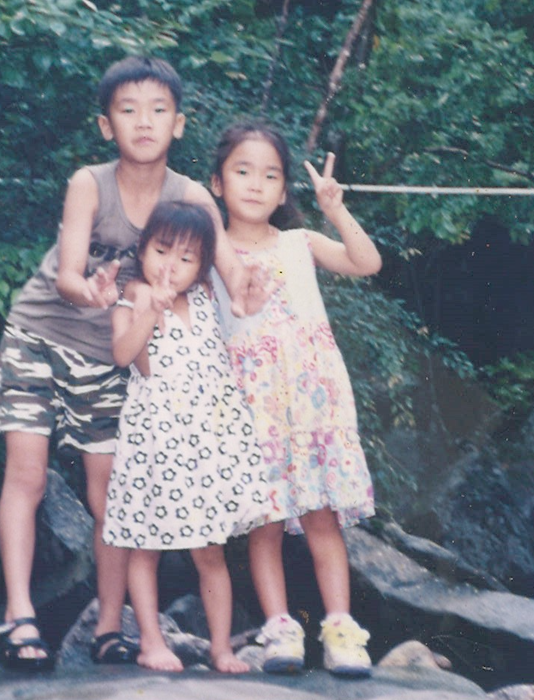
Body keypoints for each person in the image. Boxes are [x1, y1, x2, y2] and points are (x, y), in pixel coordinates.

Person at [0, 58, 265, 671]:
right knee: (27, 475)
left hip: (118, 352)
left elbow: (228, 269)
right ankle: (20, 614)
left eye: (158, 110)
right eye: (128, 110)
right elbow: (67, 275)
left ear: (179, 124)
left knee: (110, 493)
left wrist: (250, 287)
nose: (144, 122)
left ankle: (109, 626)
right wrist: (92, 290)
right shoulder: (90, 183)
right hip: (40, 333)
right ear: (106, 125)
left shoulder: (190, 196)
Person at [210, 121, 382, 677]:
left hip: (313, 406)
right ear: (217, 183)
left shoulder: (297, 244)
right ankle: (280, 629)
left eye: (269, 175)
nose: (255, 184)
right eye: (242, 171)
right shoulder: (211, 254)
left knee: (321, 518)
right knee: (265, 522)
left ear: (284, 190)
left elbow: (367, 262)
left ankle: (340, 630)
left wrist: (336, 210)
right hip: (252, 408)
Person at [102, 201, 268, 673]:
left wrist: (254, 290)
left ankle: (221, 648)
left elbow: (244, 303)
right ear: (142, 249)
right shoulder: (131, 298)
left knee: (210, 550)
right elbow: (125, 357)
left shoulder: (205, 295)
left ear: (202, 266)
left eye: (187, 257)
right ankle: (151, 642)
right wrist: (149, 311)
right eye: (161, 251)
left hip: (208, 441)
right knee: (145, 544)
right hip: (158, 441)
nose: (170, 265)